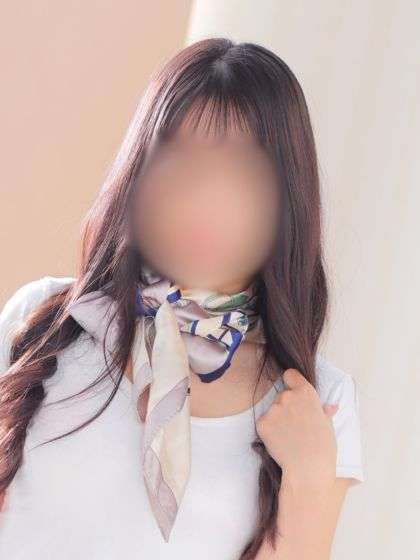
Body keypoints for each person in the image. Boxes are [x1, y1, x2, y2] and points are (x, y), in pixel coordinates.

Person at [0, 37, 365, 559]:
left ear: (287, 200)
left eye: (241, 173)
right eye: (180, 163)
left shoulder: (319, 401)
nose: (204, 200)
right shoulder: (48, 323)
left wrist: (309, 478)